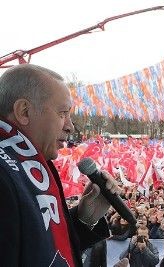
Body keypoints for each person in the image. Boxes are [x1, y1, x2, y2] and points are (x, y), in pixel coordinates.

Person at [0, 64, 120, 266]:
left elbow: (42, 248)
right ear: (24, 111)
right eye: (63, 113)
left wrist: (84, 218)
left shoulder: (28, 161)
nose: (70, 126)